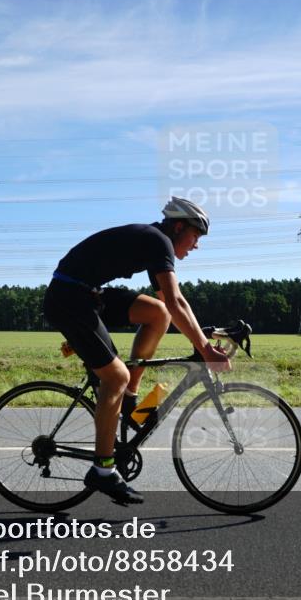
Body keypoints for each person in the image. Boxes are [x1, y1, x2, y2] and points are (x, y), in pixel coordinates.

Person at [43, 197, 231, 505]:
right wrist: (205, 348)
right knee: (114, 377)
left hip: (88, 294)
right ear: (180, 227)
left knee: (158, 314)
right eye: (196, 237)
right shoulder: (158, 242)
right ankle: (103, 471)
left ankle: (130, 397)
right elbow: (177, 300)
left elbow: (171, 305)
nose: (196, 245)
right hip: (69, 297)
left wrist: (202, 335)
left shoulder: (153, 241)